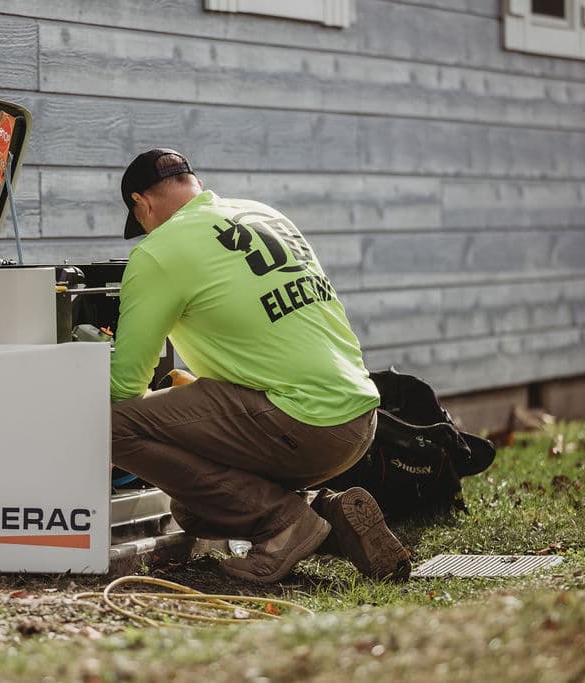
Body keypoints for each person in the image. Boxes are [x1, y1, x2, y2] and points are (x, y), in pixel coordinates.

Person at [109, 148, 412, 583]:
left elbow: (124, 387)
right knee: (193, 509)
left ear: (141, 203)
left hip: (304, 422)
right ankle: (329, 516)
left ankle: (283, 523)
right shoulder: (263, 214)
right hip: (359, 419)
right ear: (194, 184)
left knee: (107, 427)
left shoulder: (158, 250)